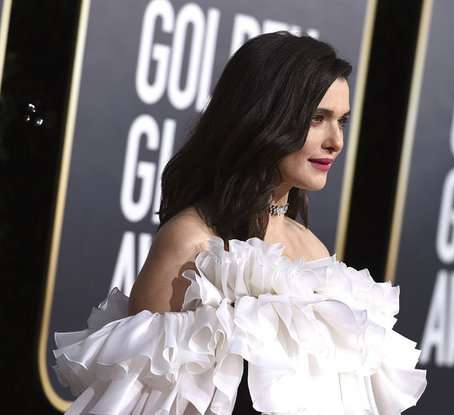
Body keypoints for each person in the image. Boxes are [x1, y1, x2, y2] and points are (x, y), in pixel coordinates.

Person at [53, 31, 427, 415]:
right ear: (264, 117)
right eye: (317, 118)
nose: (336, 142)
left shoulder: (312, 250)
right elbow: (142, 402)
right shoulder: (189, 242)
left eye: (342, 122)